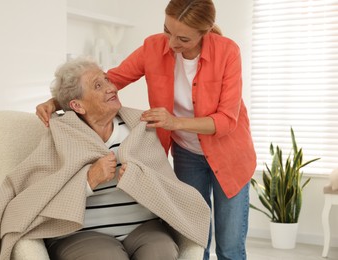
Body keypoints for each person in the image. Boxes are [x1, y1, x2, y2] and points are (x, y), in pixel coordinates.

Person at [36, 0, 256, 259]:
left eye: (182, 38)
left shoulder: (228, 52)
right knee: (195, 235)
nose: (172, 43)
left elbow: (227, 120)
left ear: (204, 33)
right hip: (187, 154)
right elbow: (111, 80)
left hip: (230, 154)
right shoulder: (154, 47)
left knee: (230, 246)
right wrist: (57, 100)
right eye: (167, 31)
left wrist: (174, 122)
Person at [0, 57, 210, 260]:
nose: (111, 87)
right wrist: (88, 181)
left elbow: (166, 184)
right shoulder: (62, 135)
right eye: (97, 86)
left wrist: (141, 179)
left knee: (162, 253)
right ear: (78, 106)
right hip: (83, 233)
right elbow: (38, 195)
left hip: (145, 228)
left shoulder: (139, 128)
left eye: (107, 80)